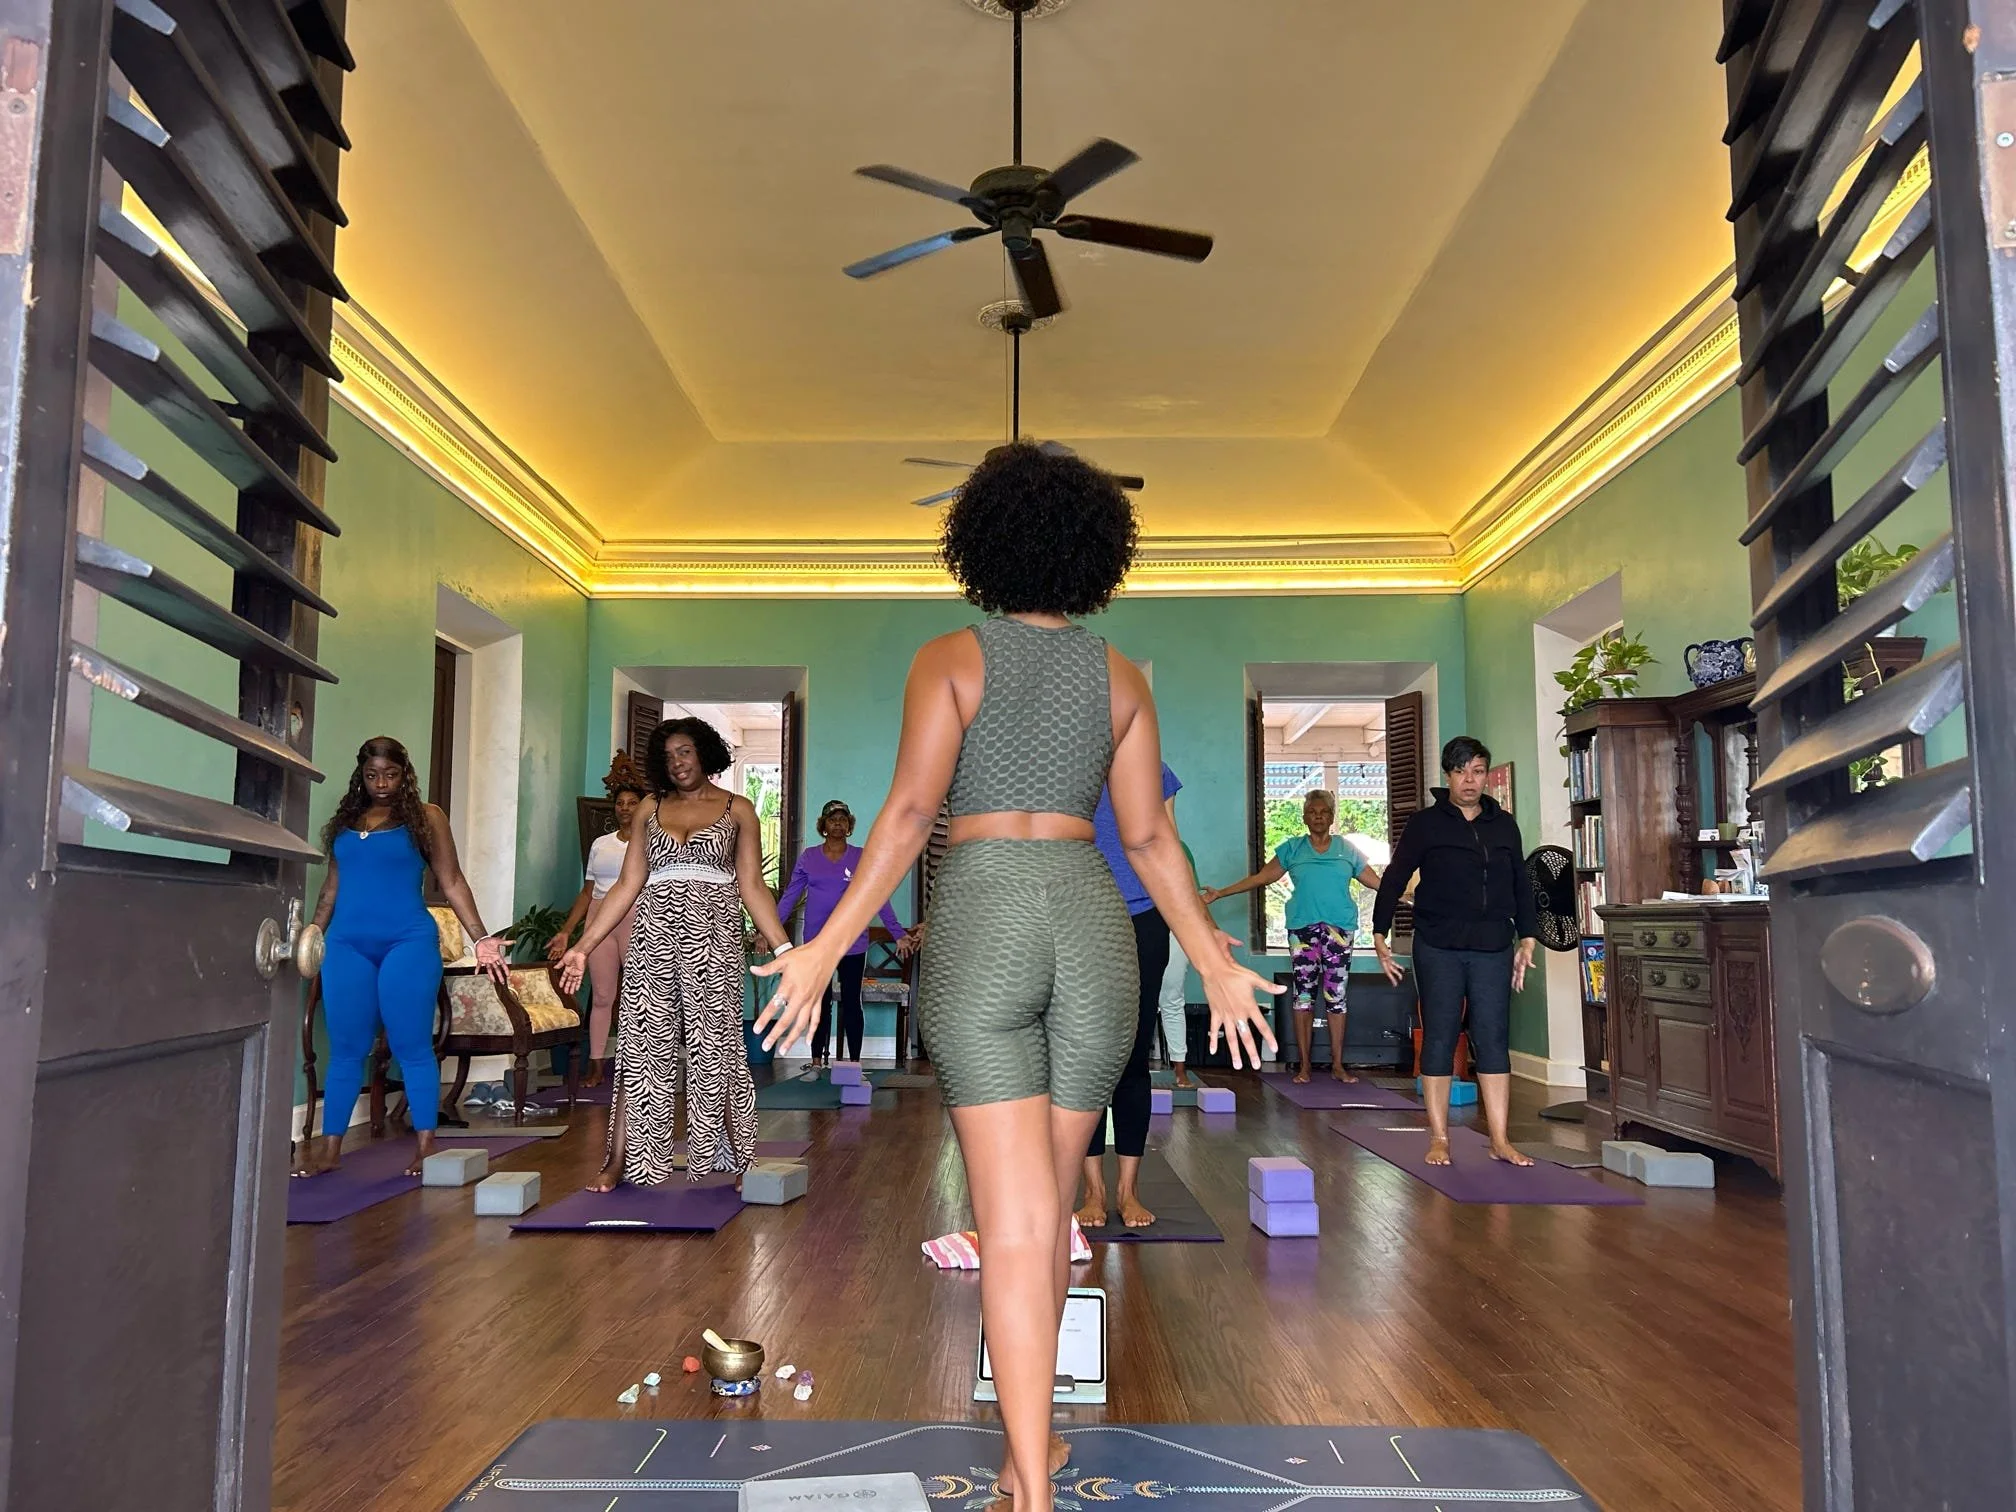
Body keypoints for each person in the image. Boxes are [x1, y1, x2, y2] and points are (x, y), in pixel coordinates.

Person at [750, 443, 1278, 1512]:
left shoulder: (948, 656)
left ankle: (1029, 1490)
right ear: (1095, 553)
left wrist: (821, 945)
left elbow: (904, 821)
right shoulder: (1122, 676)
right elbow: (1151, 842)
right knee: (1048, 1213)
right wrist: (1216, 961)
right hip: (1090, 922)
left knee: (1015, 1218)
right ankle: (1023, 1462)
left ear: (981, 542)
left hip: (986, 915)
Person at [558, 717, 794, 1190]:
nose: (677, 763)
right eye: (668, 756)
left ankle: (735, 1160)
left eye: (684, 751)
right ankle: (619, 1160)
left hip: (715, 940)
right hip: (654, 938)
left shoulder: (739, 809)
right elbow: (628, 883)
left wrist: (786, 949)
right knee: (640, 1052)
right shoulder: (650, 807)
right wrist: (584, 946)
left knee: (718, 1051)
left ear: (704, 752)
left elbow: (751, 885)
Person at [294, 737, 507, 1178]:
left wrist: (481, 938)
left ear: (403, 773)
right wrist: (314, 932)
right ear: (362, 775)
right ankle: (331, 1150)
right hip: (347, 944)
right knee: (348, 1048)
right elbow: (331, 888)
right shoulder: (347, 821)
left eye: (390, 775)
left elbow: (451, 881)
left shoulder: (426, 818)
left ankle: (426, 1144)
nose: (382, 784)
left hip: (406, 942)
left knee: (411, 1044)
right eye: (372, 776)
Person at [1371, 736, 1538, 1168]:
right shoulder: (1426, 824)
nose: (1470, 779)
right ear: (1448, 775)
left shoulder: (1504, 825)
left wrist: (1528, 935)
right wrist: (1378, 931)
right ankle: (1440, 1136)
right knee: (1441, 1036)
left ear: (1486, 775)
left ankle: (1500, 1139)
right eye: (1462, 771)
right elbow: (1395, 876)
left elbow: (1520, 881)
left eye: (1478, 771)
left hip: (1492, 945)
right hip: (1439, 944)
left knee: (1493, 1037)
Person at [1203, 790, 1381, 1084]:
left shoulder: (1347, 850)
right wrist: (1221, 892)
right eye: (1312, 812)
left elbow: (1378, 883)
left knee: (1336, 997)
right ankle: (1305, 1066)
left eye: (1324, 812)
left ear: (1332, 816)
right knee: (1303, 997)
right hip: (1303, 930)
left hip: (1339, 930)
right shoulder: (1292, 849)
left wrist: (1408, 896)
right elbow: (1261, 877)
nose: (1318, 817)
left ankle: (1338, 1065)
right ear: (1304, 817)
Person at [1075, 760, 1181, 1231]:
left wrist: (1196, 923)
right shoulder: (1064, 759)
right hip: (1080, 915)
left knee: (1134, 1055)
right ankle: (1093, 1190)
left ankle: (1128, 1189)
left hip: (1145, 918)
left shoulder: (1153, 769)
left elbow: (1167, 844)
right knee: (1085, 1055)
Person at [775, 799, 917, 1067]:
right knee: (819, 1001)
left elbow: (878, 897)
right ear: (823, 826)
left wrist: (897, 933)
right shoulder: (809, 858)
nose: (837, 823)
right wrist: (767, 931)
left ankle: (854, 1063)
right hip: (817, 944)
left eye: (842, 819)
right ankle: (817, 1062)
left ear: (849, 825)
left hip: (852, 943)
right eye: (832, 819)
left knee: (852, 1001)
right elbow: (790, 897)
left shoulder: (861, 857)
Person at [546, 779, 649, 1088]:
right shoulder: (600, 844)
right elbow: (587, 893)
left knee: (640, 995)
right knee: (603, 995)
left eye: (633, 803)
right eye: (621, 803)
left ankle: (638, 1068)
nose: (626, 808)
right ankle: (596, 1065)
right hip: (599, 919)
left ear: (642, 807)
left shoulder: (650, 842)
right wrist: (567, 932)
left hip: (636, 916)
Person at [1156, 837, 1200, 1089]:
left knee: (1171, 998)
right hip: (1136, 926)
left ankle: (1180, 1069)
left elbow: (1192, 895)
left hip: (1175, 930)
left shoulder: (1180, 848)